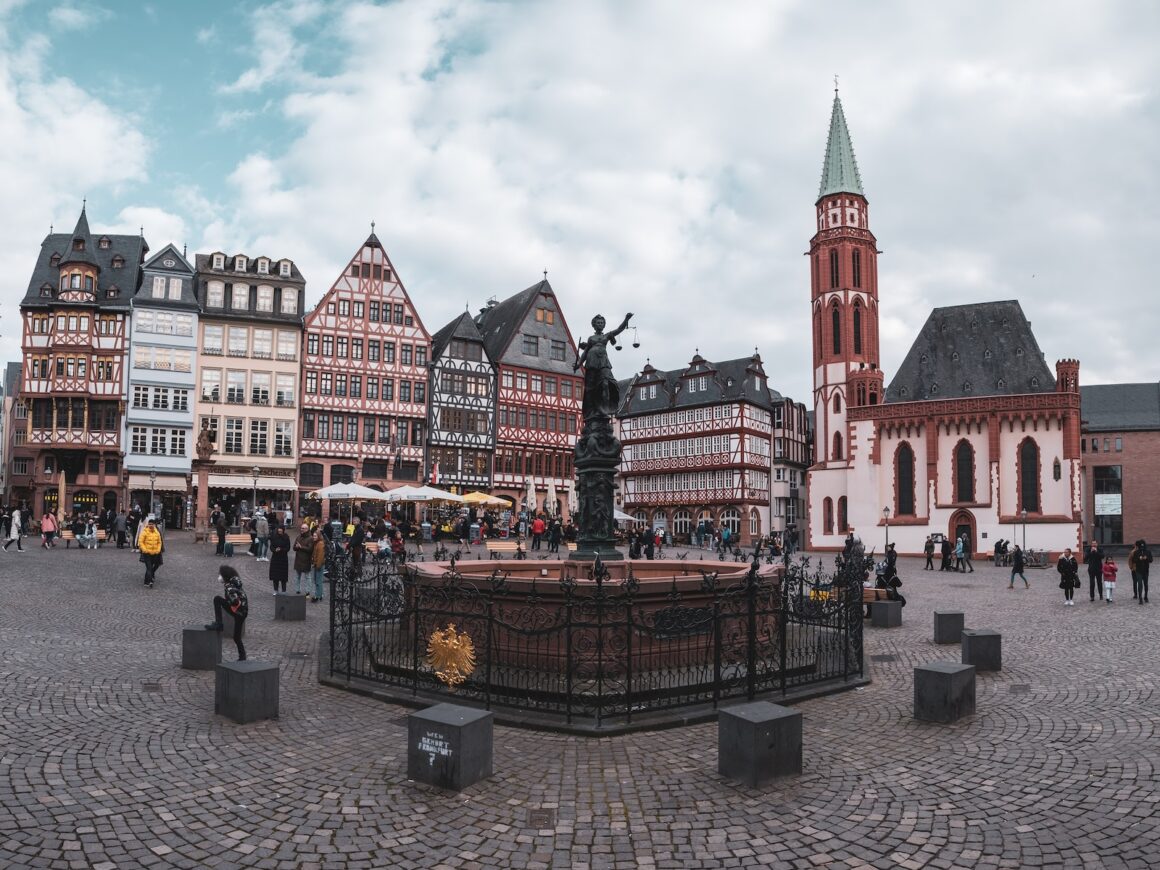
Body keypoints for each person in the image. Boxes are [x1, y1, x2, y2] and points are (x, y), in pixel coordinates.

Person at [574, 312, 633, 419]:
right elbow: (585, 352)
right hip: (591, 362)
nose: (600, 324)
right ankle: (591, 410)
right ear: (594, 325)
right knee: (590, 388)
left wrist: (626, 319)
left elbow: (619, 329)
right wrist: (579, 364)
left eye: (602, 323)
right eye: (598, 323)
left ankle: (604, 410)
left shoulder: (607, 335)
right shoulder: (591, 338)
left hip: (603, 362)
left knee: (606, 383)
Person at [205, 565, 248, 661]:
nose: (219, 577)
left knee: (217, 599)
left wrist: (230, 601)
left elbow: (235, 601)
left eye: (220, 574)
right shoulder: (235, 582)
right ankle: (242, 656)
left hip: (238, 612)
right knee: (236, 637)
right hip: (242, 613)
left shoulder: (230, 586)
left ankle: (219, 623)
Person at [139, 516, 164, 588]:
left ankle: (146, 581)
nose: (151, 525)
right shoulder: (145, 531)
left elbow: (159, 542)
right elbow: (141, 541)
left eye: (152, 524)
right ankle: (149, 582)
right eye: (150, 524)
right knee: (149, 568)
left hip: (155, 553)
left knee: (151, 568)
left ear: (154, 525)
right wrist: (144, 549)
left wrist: (158, 550)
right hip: (147, 553)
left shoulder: (157, 532)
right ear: (148, 524)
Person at [292, 524, 314, 594]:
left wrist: (301, 547)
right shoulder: (298, 537)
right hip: (298, 560)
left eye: (303, 528)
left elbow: (310, 549)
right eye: (301, 528)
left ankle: (308, 591)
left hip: (306, 560)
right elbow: (294, 548)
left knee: (308, 577)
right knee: (297, 576)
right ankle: (297, 590)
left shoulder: (310, 538)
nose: (302, 529)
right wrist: (296, 547)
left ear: (307, 529)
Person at [268, 523, 290, 593]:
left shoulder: (286, 537)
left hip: (283, 558)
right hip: (275, 558)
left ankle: (284, 590)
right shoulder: (274, 537)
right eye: (278, 531)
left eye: (281, 531)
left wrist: (281, 549)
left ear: (283, 531)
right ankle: (276, 590)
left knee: (283, 576)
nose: (279, 532)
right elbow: (271, 546)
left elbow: (288, 547)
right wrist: (275, 550)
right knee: (275, 576)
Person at [311, 530, 327, 602]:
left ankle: (317, 596)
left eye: (315, 536)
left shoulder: (320, 544)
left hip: (319, 565)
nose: (313, 537)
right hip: (317, 564)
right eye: (313, 536)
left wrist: (318, 565)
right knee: (318, 581)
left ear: (318, 536)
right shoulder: (317, 543)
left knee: (318, 581)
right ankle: (320, 595)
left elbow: (320, 556)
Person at [1136, 539, 1152, 604]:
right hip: (1139, 570)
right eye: (1141, 546)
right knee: (1140, 584)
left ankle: (1145, 596)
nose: (1142, 547)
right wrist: (1139, 558)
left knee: (1145, 584)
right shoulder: (1136, 552)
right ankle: (1140, 598)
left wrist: (1146, 558)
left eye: (1143, 545)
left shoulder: (1148, 552)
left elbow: (1151, 560)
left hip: (1145, 570)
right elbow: (1134, 560)